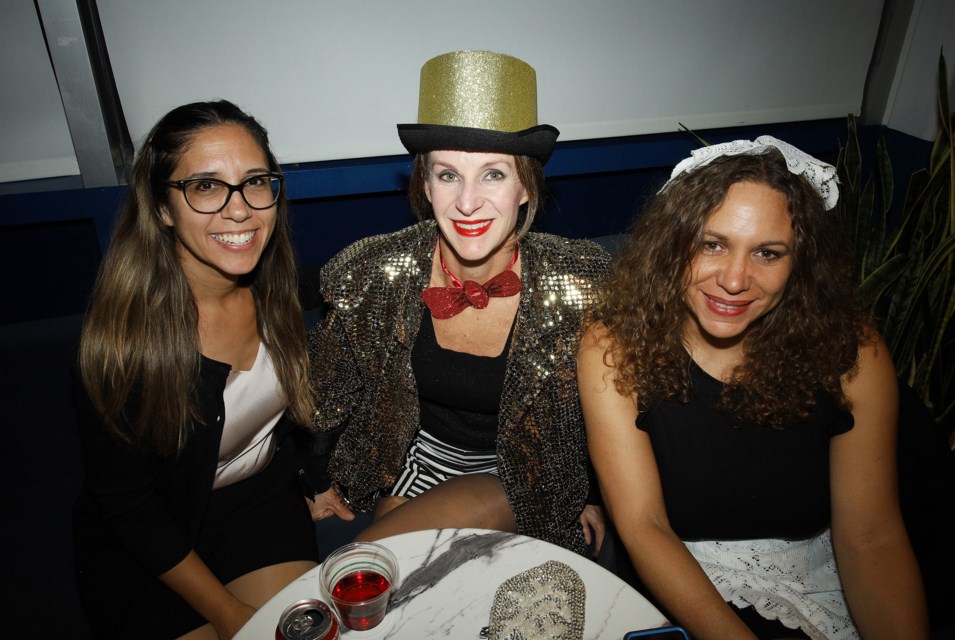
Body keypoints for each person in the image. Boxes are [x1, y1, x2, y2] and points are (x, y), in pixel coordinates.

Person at [578, 137, 928, 639]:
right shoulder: (614, 343)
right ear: (674, 244)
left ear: (800, 263)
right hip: (673, 575)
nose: (736, 279)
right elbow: (644, 526)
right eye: (712, 244)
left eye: (768, 252)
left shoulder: (853, 354)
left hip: (810, 580)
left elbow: (871, 538)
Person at [306, 50, 609, 553]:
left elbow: (612, 404)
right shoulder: (375, 272)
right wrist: (315, 479)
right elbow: (326, 391)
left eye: (493, 174)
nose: (468, 203)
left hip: (527, 465)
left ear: (526, 189)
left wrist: (593, 489)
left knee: (374, 558)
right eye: (448, 175)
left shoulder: (582, 282)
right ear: (425, 185)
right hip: (418, 457)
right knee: (395, 595)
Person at [73, 100, 323, 640]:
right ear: (162, 208)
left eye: (255, 181)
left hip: (258, 505)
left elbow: (292, 412)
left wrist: (312, 477)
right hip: (154, 541)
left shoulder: (278, 288)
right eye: (205, 187)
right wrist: (231, 617)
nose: (240, 210)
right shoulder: (124, 345)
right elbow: (128, 504)